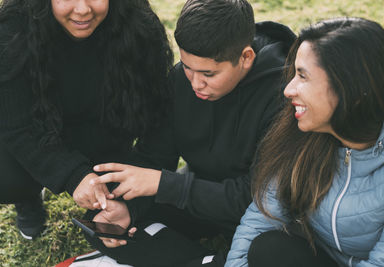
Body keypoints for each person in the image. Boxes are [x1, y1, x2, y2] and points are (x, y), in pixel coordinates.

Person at [83, 0, 295, 265]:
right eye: (188, 67)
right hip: (200, 198)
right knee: (102, 226)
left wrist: (165, 184)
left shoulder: (284, 96)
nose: (195, 83)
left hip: (254, 212)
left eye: (208, 73)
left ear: (245, 57)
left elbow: (257, 200)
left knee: (270, 253)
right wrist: (127, 208)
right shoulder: (180, 80)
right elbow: (154, 157)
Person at [0, 0, 173, 240]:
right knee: (1, 177)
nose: (83, 9)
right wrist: (72, 175)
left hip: (104, 128)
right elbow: (19, 127)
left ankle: (107, 190)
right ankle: (27, 199)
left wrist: (126, 196)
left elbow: (158, 116)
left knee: (114, 190)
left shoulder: (138, 24)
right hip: (40, 124)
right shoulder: (12, 31)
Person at [225, 17, 384, 267]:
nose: (288, 89)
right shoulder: (304, 134)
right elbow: (260, 219)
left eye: (302, 76)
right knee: (269, 249)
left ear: (350, 88)